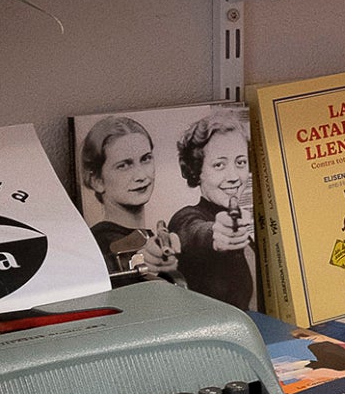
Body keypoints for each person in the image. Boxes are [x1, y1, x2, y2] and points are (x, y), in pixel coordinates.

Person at [165, 114, 256, 308]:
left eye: (240, 162)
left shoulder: (243, 230)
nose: (233, 177)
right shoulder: (185, 218)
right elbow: (194, 232)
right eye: (219, 165)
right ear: (196, 171)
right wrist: (215, 234)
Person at [78, 115, 179, 281]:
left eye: (146, 159)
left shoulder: (151, 236)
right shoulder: (99, 246)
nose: (140, 175)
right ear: (97, 181)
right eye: (124, 165)